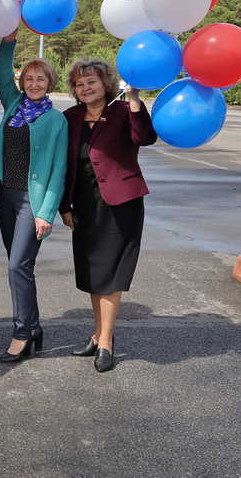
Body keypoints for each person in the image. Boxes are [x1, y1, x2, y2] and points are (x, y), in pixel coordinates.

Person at [60, 59, 157, 372]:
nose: (86, 88)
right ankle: (98, 333)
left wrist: (135, 99)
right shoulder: (70, 117)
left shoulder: (123, 110)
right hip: (84, 206)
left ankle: (106, 342)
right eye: (79, 83)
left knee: (111, 274)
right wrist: (64, 206)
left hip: (121, 204)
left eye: (91, 81)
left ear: (106, 83)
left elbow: (145, 138)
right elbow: (65, 167)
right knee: (93, 274)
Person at [0, 29, 67, 364]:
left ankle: (21, 333)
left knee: (16, 266)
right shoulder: (13, 105)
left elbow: (58, 170)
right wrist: (8, 41)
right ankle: (34, 326)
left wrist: (46, 212)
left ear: (50, 83)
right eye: (29, 78)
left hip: (31, 203)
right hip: (4, 197)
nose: (34, 83)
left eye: (41, 79)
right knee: (22, 267)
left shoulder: (55, 120)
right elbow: (1, 71)